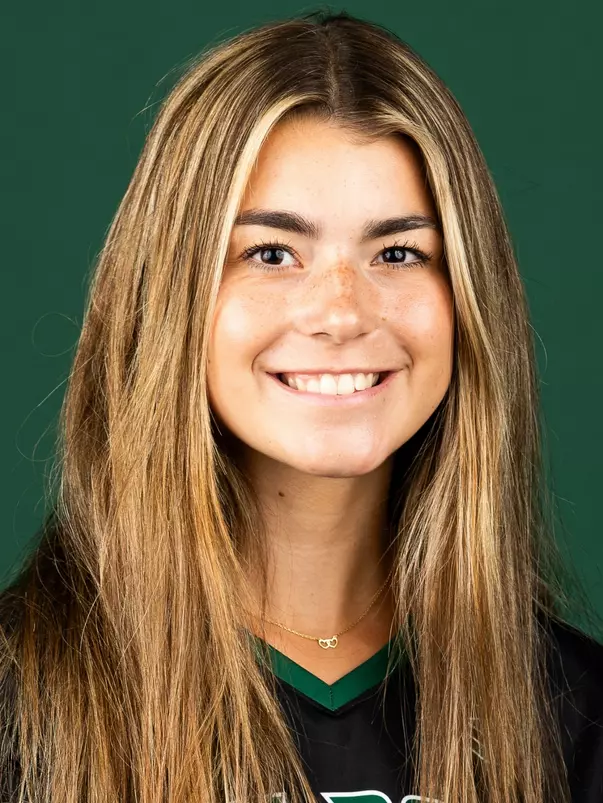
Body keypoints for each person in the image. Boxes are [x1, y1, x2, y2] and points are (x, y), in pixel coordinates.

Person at [1, 9, 602, 803]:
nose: (342, 312)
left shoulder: (574, 715)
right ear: (169, 297)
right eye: (271, 253)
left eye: (397, 252)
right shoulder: (21, 705)